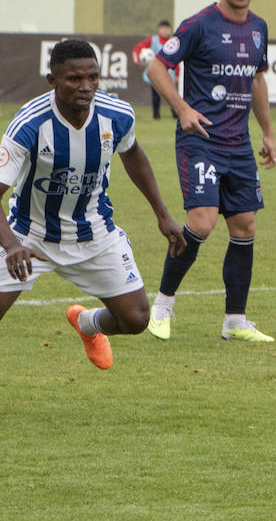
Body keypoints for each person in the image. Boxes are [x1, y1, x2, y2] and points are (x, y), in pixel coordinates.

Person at [0, 39, 185, 370]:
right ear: (52, 80)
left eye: (93, 78)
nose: (86, 87)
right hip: (29, 236)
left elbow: (133, 155)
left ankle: (87, 324)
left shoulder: (116, 115)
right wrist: (12, 246)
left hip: (94, 232)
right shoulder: (29, 124)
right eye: (74, 79)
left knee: (136, 319)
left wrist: (163, 215)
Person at [145, 0, 276, 343]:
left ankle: (235, 320)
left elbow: (256, 79)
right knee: (201, 221)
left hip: (238, 145)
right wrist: (183, 108)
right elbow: (155, 67)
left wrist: (268, 133)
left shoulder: (259, 28)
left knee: (245, 225)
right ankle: (162, 306)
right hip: (200, 141)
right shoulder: (198, 25)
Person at [131, 20, 174, 120]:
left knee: (171, 94)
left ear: (170, 30)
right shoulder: (153, 40)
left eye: (166, 29)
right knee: (156, 94)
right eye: (162, 28)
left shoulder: (173, 41)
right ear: (159, 29)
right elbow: (138, 48)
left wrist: (177, 72)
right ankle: (156, 115)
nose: (164, 31)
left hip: (169, 74)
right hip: (155, 73)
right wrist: (138, 60)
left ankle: (175, 114)